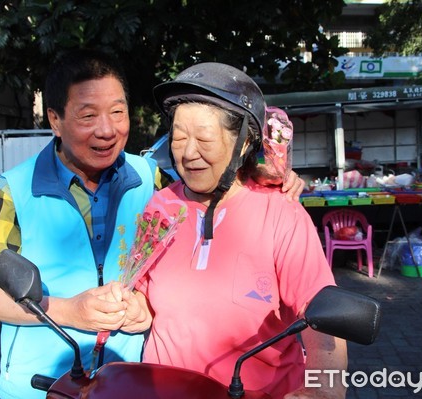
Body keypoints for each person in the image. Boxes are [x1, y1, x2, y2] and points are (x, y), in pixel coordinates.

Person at [0, 50, 306, 399]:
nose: (107, 130)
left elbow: (208, 176)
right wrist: (69, 311)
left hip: (126, 382)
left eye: (117, 111)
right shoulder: (12, 191)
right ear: (55, 119)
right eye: (88, 116)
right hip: (42, 385)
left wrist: (257, 173)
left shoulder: (149, 179)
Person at [132, 62, 347, 398]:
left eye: (204, 138)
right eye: (178, 137)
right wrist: (131, 310)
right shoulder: (159, 207)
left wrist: (325, 388)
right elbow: (147, 300)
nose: (188, 153)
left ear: (245, 144)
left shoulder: (280, 213)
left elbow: (324, 314)